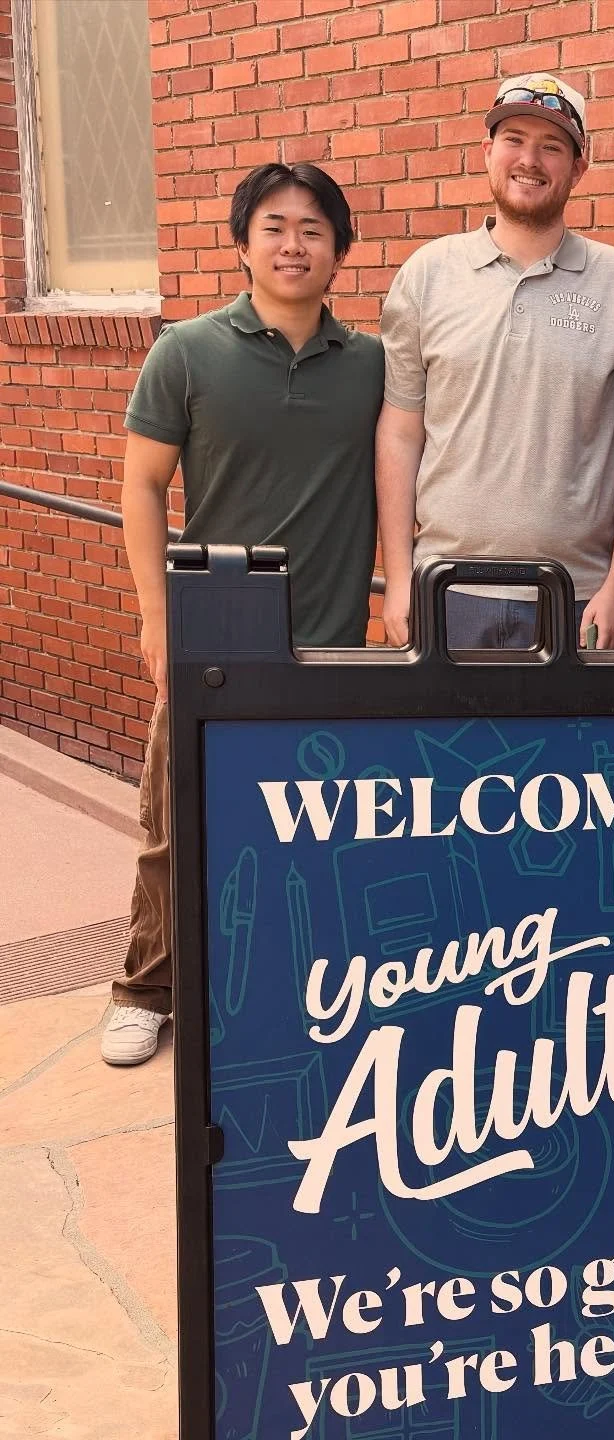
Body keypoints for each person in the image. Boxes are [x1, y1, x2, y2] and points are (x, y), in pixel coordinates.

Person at [102, 162, 383, 1065]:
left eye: (313, 227)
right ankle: (147, 987)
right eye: (274, 225)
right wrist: (157, 613)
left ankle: (297, 991)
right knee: (177, 823)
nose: (293, 243)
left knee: (317, 831)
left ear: (341, 249)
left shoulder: (373, 364)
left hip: (331, 639)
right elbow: (141, 486)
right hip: (213, 634)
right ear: (242, 242)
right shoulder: (186, 352)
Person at [377, 73, 614, 651]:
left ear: (578, 167)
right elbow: (401, 433)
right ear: (487, 152)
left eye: (552, 146)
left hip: (574, 599)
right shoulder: (428, 275)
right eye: (513, 139)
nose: (529, 159)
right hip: (445, 592)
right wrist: (399, 579)